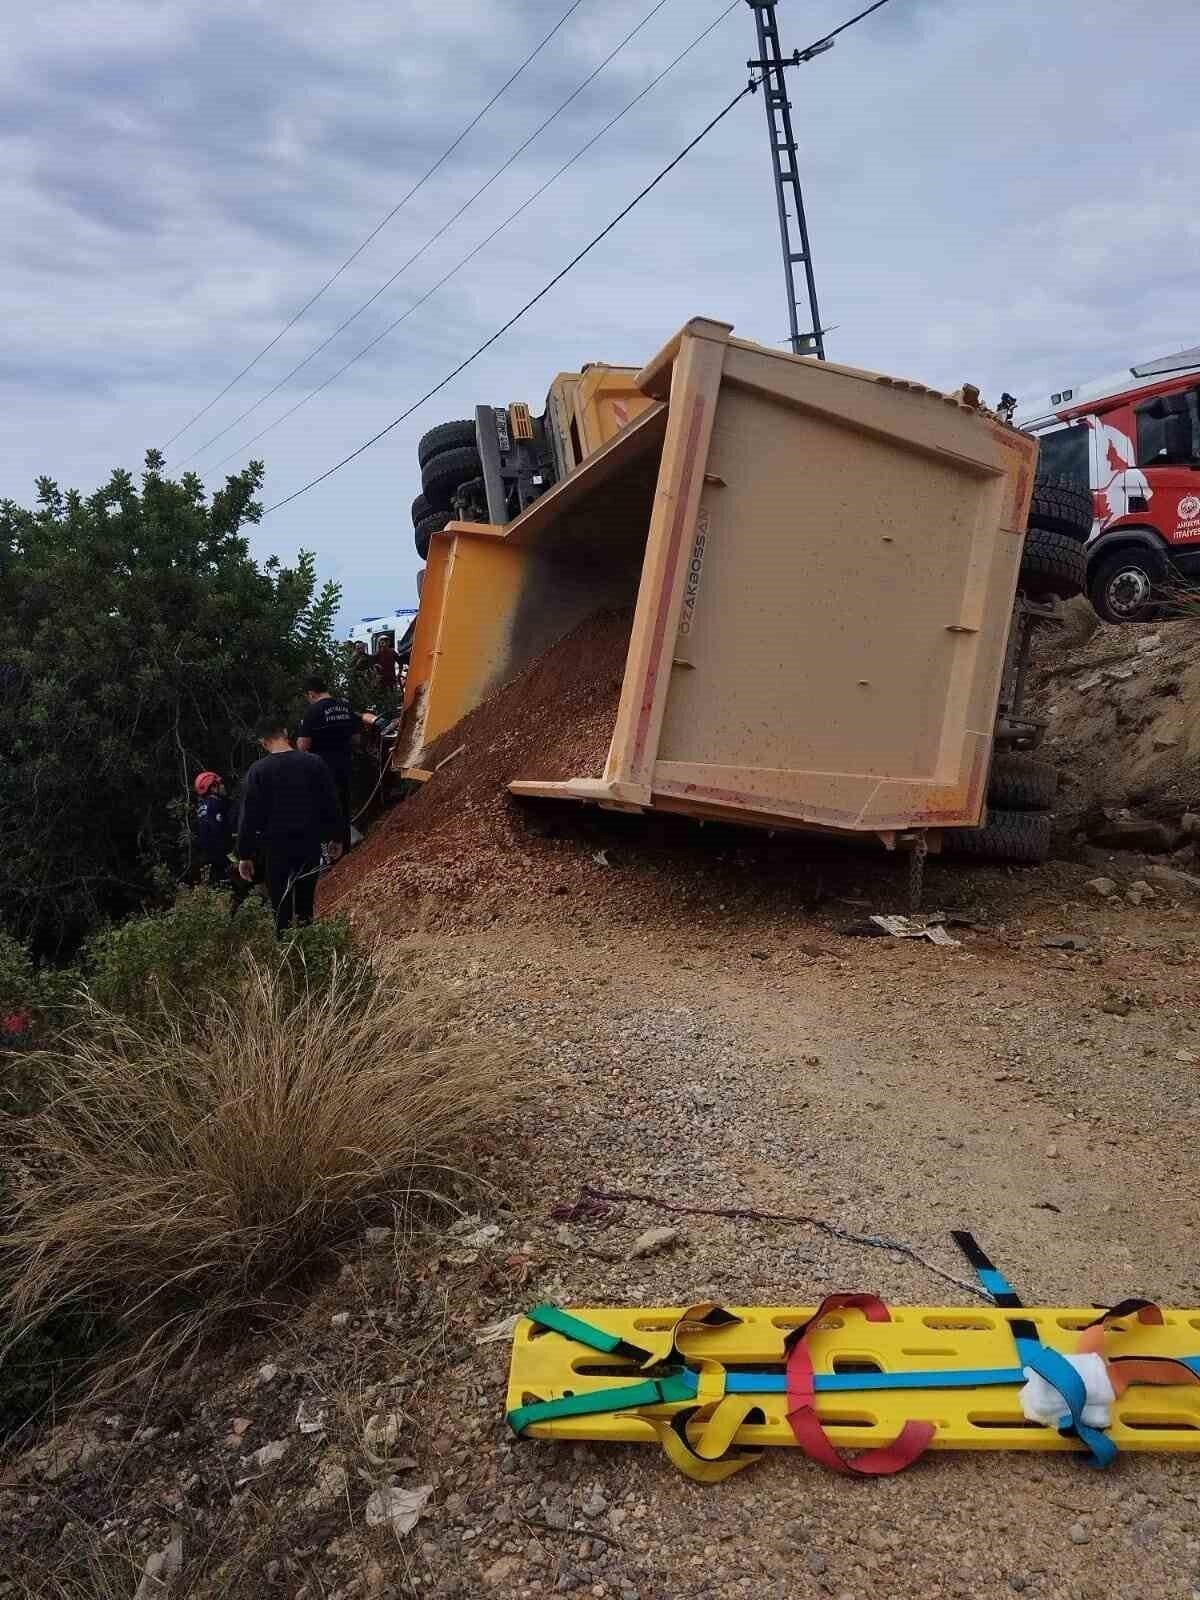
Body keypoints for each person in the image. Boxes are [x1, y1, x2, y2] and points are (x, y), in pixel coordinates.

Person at [236, 715, 347, 933]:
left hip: (275, 848)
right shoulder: (313, 763)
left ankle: (287, 948)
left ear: (262, 742)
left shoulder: (258, 771)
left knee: (280, 907)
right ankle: (309, 943)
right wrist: (337, 837)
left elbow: (249, 817)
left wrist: (244, 854)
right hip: (309, 844)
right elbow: (331, 803)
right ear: (285, 732)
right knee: (305, 904)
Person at [296, 674, 357, 831]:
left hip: (323, 767)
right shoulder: (345, 706)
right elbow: (356, 737)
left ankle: (333, 841)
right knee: (344, 801)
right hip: (346, 762)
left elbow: (302, 746)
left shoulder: (312, 711)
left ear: (311, 694)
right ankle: (346, 837)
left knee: (327, 804)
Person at [194, 771, 234, 886]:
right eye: (220, 784)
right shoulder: (216, 804)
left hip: (209, 860)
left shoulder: (202, 806)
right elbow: (219, 834)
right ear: (212, 788)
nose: (223, 786)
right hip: (222, 860)